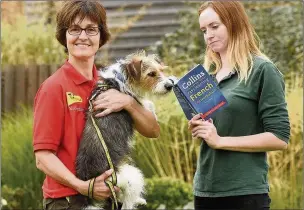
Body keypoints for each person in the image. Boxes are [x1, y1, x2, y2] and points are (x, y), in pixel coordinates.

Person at [32, 1, 160, 209]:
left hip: (110, 197)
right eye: (74, 29)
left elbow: (153, 130)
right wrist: (84, 186)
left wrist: (128, 102)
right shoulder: (54, 87)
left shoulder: (111, 83)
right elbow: (43, 157)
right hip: (69, 200)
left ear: (101, 36)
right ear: (64, 36)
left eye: (91, 29)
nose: (83, 36)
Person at [188, 1, 290, 210]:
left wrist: (221, 141)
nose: (208, 35)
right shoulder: (208, 79)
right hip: (205, 191)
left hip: (244, 193)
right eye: (204, 30)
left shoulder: (262, 71)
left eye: (215, 27)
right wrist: (201, 127)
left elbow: (279, 138)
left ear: (234, 23)